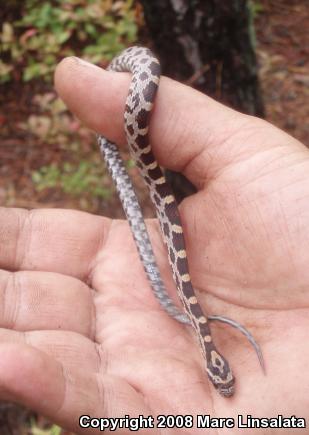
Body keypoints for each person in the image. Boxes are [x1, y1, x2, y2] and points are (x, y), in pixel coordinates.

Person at [0, 55, 308, 434]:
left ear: (214, 367)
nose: (224, 385)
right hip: (139, 68)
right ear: (218, 363)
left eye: (221, 381)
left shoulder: (206, 341)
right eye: (224, 379)